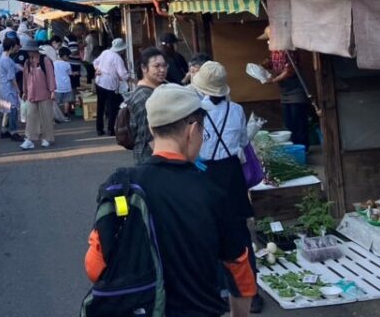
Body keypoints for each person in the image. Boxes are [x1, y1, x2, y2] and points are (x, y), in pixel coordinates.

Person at [84, 84, 255, 317]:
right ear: (192, 130)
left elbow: (94, 266)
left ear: (152, 129)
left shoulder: (122, 185)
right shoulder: (212, 191)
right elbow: (238, 269)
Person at [191, 61, 263, 312]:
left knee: (210, 233)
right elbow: (243, 140)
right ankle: (250, 293)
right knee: (240, 235)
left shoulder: (196, 111)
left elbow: (194, 147)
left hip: (206, 174)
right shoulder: (237, 110)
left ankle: (218, 292)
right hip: (232, 175)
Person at [260, 27, 310, 148]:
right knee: (289, 123)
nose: (268, 42)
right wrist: (266, 65)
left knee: (298, 122)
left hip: (296, 91)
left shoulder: (288, 50)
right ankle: (293, 147)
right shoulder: (274, 52)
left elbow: (289, 71)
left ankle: (303, 148)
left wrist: (273, 80)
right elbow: (274, 65)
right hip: (285, 92)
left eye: (270, 39)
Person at [125, 47, 168, 164]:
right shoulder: (144, 97)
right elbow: (149, 136)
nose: (162, 70)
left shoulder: (154, 91)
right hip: (150, 158)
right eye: (157, 66)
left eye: (164, 66)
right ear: (144, 68)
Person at [20, 38, 57, 150]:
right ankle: (30, 139)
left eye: (29, 50)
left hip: (45, 92)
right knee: (31, 116)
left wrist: (52, 91)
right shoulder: (27, 62)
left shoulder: (44, 60)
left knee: (46, 116)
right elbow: (25, 78)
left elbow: (50, 75)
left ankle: (47, 138)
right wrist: (24, 91)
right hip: (31, 93)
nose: (28, 52)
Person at [92, 38, 129, 137]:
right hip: (110, 85)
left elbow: (95, 62)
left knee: (100, 106)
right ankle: (110, 129)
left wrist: (98, 69)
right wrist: (130, 77)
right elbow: (123, 74)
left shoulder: (105, 52)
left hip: (100, 82)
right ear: (121, 49)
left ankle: (99, 129)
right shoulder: (118, 58)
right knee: (113, 107)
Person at [0, 36, 24, 141]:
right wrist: (18, 88)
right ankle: (14, 132)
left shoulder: (3, 57)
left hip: (3, 87)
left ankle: (4, 130)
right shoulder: (6, 60)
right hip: (8, 88)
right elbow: (11, 76)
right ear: (12, 47)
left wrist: (23, 68)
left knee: (6, 110)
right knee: (12, 110)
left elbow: (15, 66)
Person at [54, 47, 74, 118]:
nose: (68, 57)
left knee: (57, 102)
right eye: (68, 56)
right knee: (66, 101)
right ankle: (66, 114)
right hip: (67, 85)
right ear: (65, 55)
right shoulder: (67, 64)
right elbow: (70, 74)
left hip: (57, 86)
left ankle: (58, 116)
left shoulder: (54, 63)